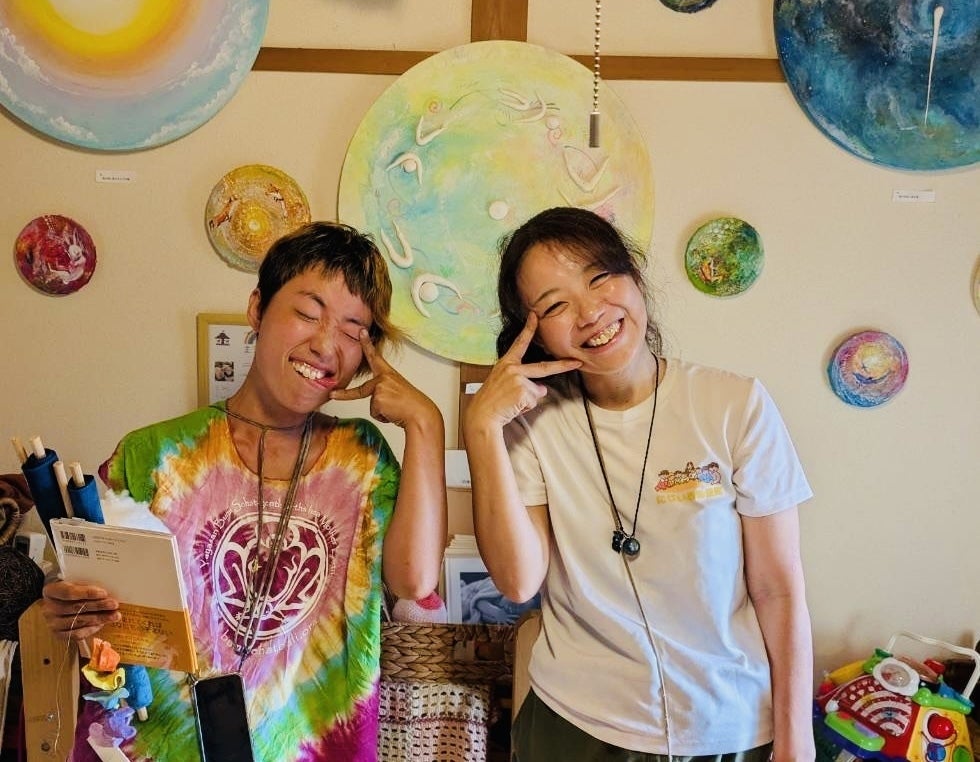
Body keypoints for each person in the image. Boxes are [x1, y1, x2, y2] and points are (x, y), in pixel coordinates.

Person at [42, 221, 447, 761]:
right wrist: (72, 608)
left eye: (354, 331)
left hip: (315, 746)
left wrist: (426, 423)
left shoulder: (364, 459)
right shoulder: (153, 455)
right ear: (257, 308)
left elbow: (415, 581)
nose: (326, 344)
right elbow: (94, 612)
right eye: (308, 313)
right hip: (162, 746)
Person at [463, 207, 814, 762]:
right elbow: (517, 579)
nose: (590, 313)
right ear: (532, 334)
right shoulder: (532, 426)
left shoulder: (735, 405)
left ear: (635, 275)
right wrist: (481, 427)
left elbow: (778, 588)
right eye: (554, 305)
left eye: (600, 277)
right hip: (576, 725)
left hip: (728, 725)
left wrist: (798, 741)